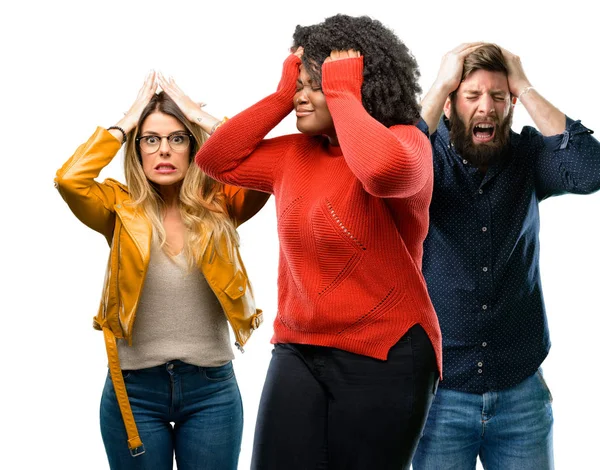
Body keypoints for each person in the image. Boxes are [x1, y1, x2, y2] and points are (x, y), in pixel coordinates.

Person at [192, 14, 442, 470]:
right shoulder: (293, 154)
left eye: (315, 85)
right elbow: (215, 159)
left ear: (359, 86)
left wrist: (343, 93)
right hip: (298, 347)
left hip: (386, 350)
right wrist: (277, 97)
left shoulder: (408, 144)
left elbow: (381, 173)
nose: (301, 97)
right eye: (299, 84)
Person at [54, 71, 269, 470]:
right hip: (134, 392)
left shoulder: (221, 204)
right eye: (150, 140)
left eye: (177, 138)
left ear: (192, 147)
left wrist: (200, 117)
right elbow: (70, 180)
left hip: (212, 391)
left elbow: (262, 167)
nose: (164, 151)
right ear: (137, 149)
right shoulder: (117, 209)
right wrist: (126, 121)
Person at [412, 43, 600, 469]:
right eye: (472, 96)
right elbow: (390, 166)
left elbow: (591, 171)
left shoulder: (528, 156)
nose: (487, 108)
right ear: (448, 106)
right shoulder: (424, 161)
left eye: (498, 97)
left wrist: (525, 85)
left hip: (522, 395)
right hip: (440, 396)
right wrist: (441, 83)